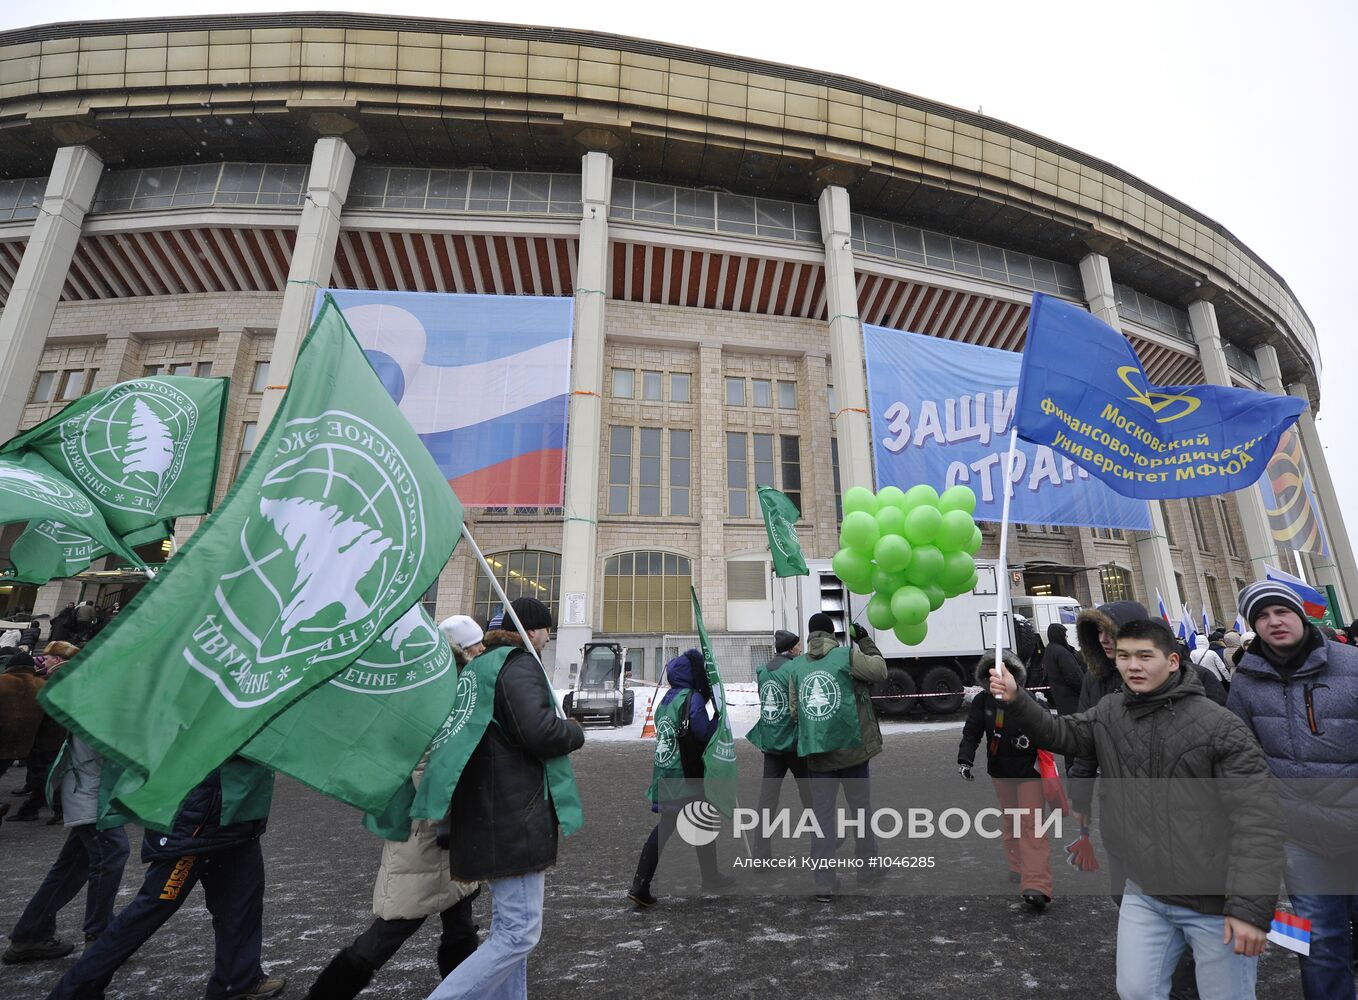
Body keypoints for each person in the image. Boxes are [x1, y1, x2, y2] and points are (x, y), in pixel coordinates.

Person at [989, 618, 1283, 999]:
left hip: (1215, 902)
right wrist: (1016, 698)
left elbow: (1258, 822)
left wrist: (1250, 909)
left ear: (1174, 662)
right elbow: (1062, 733)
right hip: (1145, 892)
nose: (1133, 665)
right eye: (1125, 656)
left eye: (1145, 656)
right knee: (1135, 991)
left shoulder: (1221, 726)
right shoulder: (1110, 711)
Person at [305, 617, 486, 1000]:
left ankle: (461, 991)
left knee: (460, 914)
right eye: (474, 647)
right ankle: (324, 996)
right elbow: (425, 760)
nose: (480, 652)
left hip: (441, 823)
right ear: (458, 651)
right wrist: (447, 807)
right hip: (426, 823)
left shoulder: (438, 686)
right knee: (395, 923)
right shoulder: (434, 693)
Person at [428, 596, 585, 1000]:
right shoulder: (517, 665)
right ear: (531, 630)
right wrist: (572, 729)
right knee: (518, 936)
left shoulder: (482, 667)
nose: (549, 639)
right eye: (547, 630)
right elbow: (538, 732)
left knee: (509, 932)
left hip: (490, 811)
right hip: (513, 814)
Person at [45, 757, 285, 1000]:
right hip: (200, 820)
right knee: (151, 909)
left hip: (240, 813)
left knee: (242, 904)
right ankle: (72, 992)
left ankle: (237, 980)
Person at [1228, 580, 1358, 1000]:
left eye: (1280, 612)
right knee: (1319, 944)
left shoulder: (1352, 664)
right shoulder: (1245, 681)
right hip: (1301, 835)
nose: (1273, 622)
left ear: (1299, 614)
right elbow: (1241, 755)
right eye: (1261, 617)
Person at [4, 642, 130, 965]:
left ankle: (30, 934)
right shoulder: (89, 692)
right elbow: (109, 743)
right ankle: (100, 937)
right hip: (92, 793)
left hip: (90, 791)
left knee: (73, 866)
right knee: (111, 855)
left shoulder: (84, 689)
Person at [788, 613, 888, 903]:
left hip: (817, 754)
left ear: (808, 636)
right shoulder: (847, 656)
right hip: (853, 750)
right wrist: (865, 640)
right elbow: (880, 671)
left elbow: (796, 712)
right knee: (861, 811)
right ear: (832, 634)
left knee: (822, 818)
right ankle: (868, 868)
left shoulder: (796, 666)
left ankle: (824, 882)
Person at [628, 648, 731, 905]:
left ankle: (643, 883)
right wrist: (719, 719)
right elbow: (703, 734)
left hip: (666, 772)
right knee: (693, 823)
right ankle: (642, 885)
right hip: (687, 774)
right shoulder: (692, 698)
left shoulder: (667, 699)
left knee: (684, 824)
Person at [957, 649, 1054, 910]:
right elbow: (972, 733)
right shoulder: (982, 703)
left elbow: (1050, 731)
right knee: (1011, 822)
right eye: (991, 674)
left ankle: (1036, 884)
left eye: (1001, 673)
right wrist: (965, 759)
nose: (996, 679)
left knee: (1032, 827)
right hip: (1000, 772)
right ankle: (1018, 867)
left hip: (1029, 773)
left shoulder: (1030, 700)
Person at [745, 629, 812, 861]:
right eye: (799, 645)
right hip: (793, 744)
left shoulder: (764, 672)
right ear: (792, 648)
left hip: (771, 743)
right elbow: (800, 705)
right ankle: (825, 842)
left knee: (767, 801)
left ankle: (760, 855)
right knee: (811, 796)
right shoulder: (794, 669)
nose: (802, 648)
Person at [11, 642, 76, 824]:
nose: (44, 662)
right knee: (47, 771)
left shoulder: (58, 675)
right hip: (57, 731)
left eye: (47, 659)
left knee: (45, 771)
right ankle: (45, 807)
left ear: (57, 659)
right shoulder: (66, 673)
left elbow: (46, 703)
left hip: (52, 731)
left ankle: (39, 808)